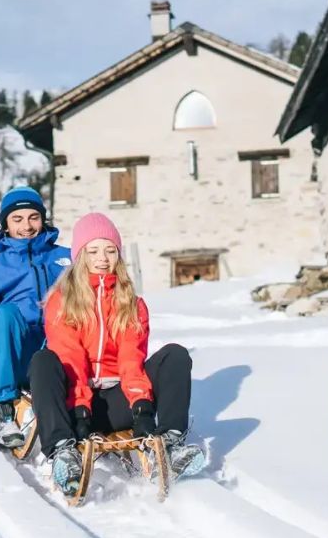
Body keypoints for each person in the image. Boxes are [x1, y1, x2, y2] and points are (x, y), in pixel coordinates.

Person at [29, 212, 206, 496]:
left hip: (119, 402)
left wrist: (142, 409)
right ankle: (62, 452)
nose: (102, 258)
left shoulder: (131, 303)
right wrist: (80, 411)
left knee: (175, 355)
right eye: (93, 250)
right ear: (80, 255)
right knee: (43, 361)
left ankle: (170, 447)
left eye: (110, 250)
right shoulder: (61, 302)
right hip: (77, 407)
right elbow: (69, 358)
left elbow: (131, 359)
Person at [0, 187, 72, 448]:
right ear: (6, 224)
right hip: (15, 360)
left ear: (42, 219)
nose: (27, 226)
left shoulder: (68, 258)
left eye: (33, 217)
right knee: (4, 314)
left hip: (61, 355)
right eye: (17, 219)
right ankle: (1, 411)